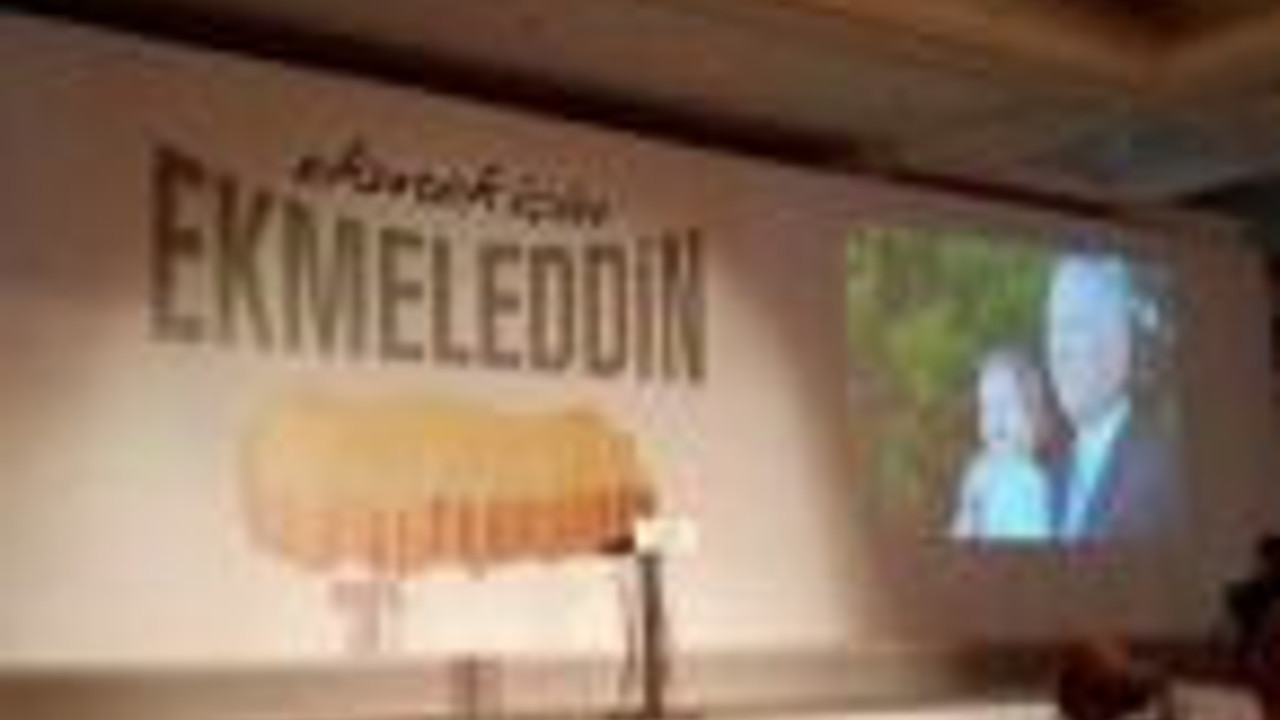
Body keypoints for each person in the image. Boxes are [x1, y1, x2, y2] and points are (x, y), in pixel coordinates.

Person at [1045, 252, 1178, 543]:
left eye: (1074, 326)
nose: (1058, 350)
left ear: (1121, 342)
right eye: (1053, 328)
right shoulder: (1047, 474)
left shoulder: (1164, 471)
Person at [950, 347, 1055, 542]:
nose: (997, 418)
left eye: (1007, 405)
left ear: (1032, 413)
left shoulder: (1029, 483)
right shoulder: (978, 472)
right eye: (987, 408)